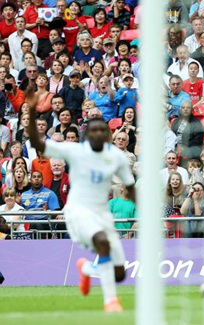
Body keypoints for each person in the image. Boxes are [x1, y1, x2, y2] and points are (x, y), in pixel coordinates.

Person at [27, 103, 136, 312]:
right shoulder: (75, 150)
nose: (98, 133)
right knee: (102, 242)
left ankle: (87, 268)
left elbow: (130, 187)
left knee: (120, 273)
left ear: (108, 134)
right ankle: (111, 301)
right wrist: (31, 112)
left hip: (102, 214)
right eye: (94, 130)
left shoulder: (116, 156)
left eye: (102, 130)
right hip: (78, 211)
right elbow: (35, 141)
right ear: (87, 134)